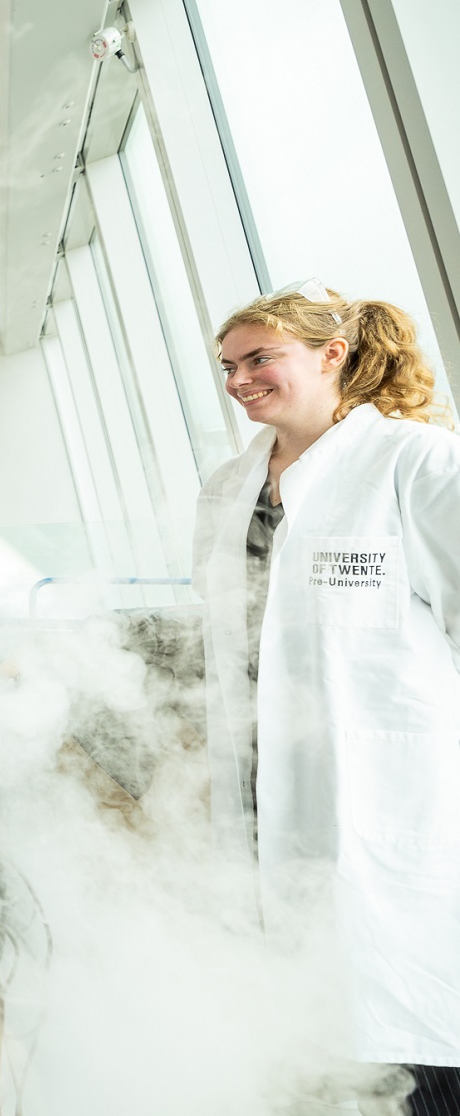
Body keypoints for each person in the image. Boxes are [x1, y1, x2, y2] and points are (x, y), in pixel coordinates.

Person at [194, 281, 460, 1110]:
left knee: (408, 1037)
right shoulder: (227, 487)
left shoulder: (413, 461)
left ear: (332, 354)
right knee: (302, 1037)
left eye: (259, 359)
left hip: (387, 790)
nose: (239, 381)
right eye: (229, 365)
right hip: (257, 782)